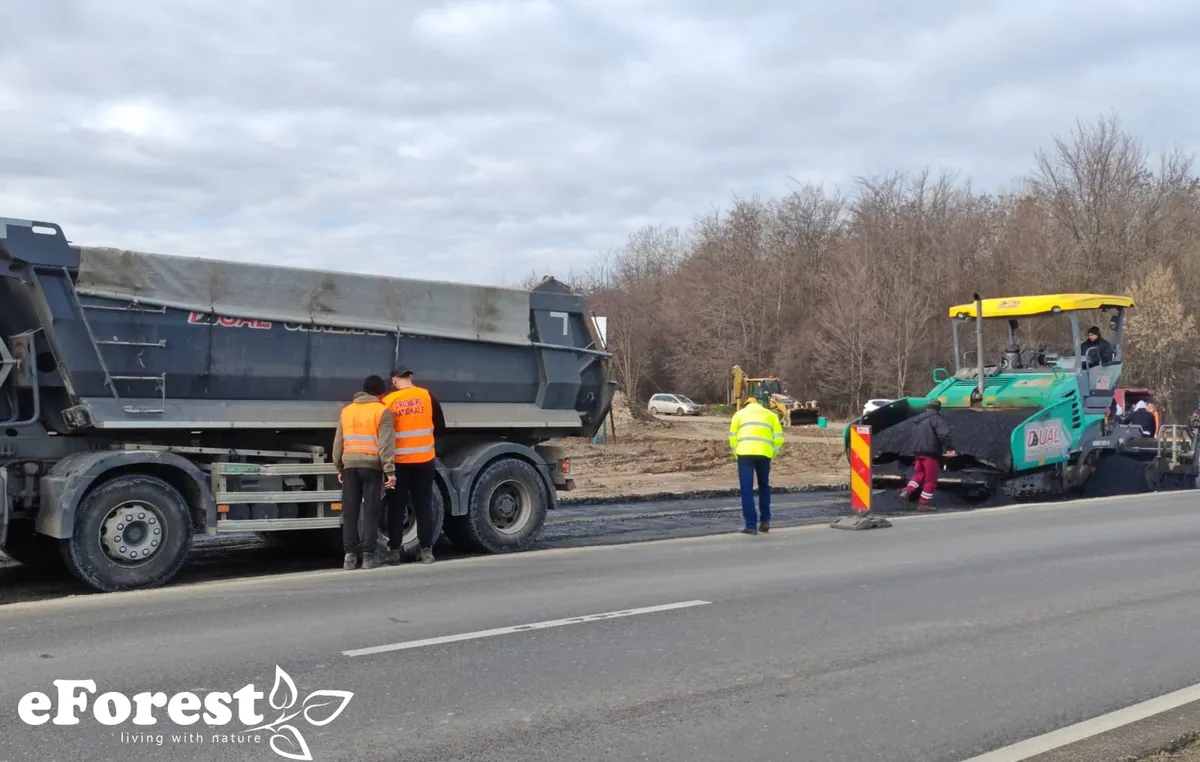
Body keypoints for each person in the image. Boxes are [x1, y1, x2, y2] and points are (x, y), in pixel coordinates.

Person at [381, 364, 446, 564]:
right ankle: (426, 551)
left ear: (394, 380)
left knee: (396, 507)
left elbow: (382, 433)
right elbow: (440, 427)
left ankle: (394, 551)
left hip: (399, 463)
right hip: (424, 461)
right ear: (410, 376)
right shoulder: (427, 396)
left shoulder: (388, 400)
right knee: (424, 505)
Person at [332, 375, 396, 570]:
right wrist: (390, 471)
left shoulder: (347, 411)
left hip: (350, 465)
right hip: (373, 467)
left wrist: (339, 467)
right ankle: (368, 557)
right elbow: (385, 445)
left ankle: (350, 557)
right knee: (371, 511)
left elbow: (338, 443)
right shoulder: (382, 411)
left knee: (350, 511)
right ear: (381, 393)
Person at [728, 397, 784, 535]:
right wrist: (772, 454)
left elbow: (732, 437)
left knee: (747, 489)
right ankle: (765, 522)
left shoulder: (739, 414)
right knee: (764, 486)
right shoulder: (771, 415)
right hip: (764, 454)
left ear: (747, 404)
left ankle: (751, 526)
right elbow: (779, 438)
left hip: (744, 454)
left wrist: (737, 454)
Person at [899, 400, 955, 511]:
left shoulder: (918, 420)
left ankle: (907, 490)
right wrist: (950, 448)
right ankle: (923, 504)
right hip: (930, 453)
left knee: (919, 474)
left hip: (917, 453)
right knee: (931, 480)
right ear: (938, 409)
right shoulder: (937, 419)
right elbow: (944, 434)